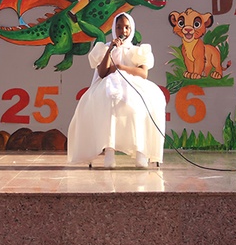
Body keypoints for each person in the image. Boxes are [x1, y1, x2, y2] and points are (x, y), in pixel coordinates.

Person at [67, 12, 166, 168]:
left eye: (126, 27)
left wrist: (121, 67)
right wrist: (110, 50)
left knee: (140, 105)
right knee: (109, 103)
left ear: (131, 29)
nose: (123, 31)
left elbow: (143, 73)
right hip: (109, 84)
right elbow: (102, 72)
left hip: (133, 84)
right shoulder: (105, 48)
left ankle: (141, 153)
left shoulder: (138, 51)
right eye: (119, 27)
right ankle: (109, 153)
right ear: (114, 29)